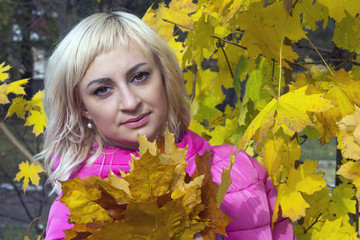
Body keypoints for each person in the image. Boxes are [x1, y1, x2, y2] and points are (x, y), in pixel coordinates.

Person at [38, 11, 296, 240]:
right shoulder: (78, 207)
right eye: (103, 90)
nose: (130, 102)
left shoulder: (239, 170)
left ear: (164, 76)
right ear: (82, 107)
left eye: (139, 76)